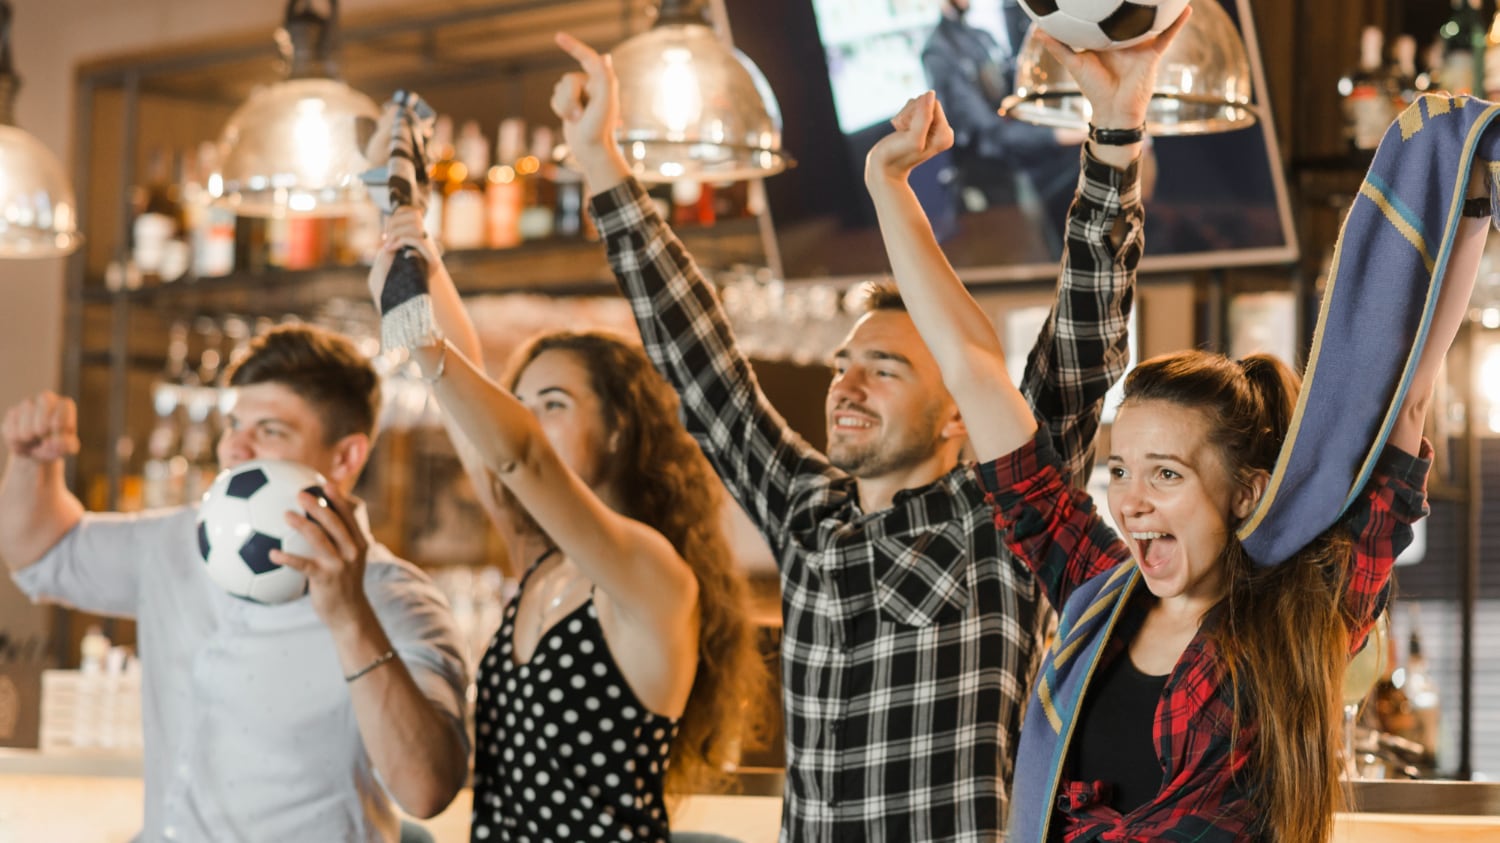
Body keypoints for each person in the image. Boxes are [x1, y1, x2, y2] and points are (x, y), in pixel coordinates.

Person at [548, 17, 1179, 838]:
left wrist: (1117, 132)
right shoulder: (808, 513)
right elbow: (698, 359)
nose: (847, 382)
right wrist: (601, 162)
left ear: (959, 408)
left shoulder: (1005, 514)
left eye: (885, 369)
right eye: (845, 363)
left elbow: (1087, 334)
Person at [863, 36, 1481, 841]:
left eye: (1166, 474)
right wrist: (887, 185)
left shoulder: (1301, 613)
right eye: (1120, 468)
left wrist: (1470, 196)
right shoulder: (1096, 594)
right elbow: (974, 366)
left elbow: (1408, 396)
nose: (1130, 500)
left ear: (1246, 490)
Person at [366, 207, 767, 842]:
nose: (526, 420)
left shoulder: (650, 571)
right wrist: (419, 251)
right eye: (520, 403)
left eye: (553, 405)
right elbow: (485, 421)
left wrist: (414, 328)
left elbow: (517, 452)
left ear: (617, 429)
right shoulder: (543, 557)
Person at [0, 326, 470, 841]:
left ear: (345, 458)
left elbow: (426, 790)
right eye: (233, 425)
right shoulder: (176, 540)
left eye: (269, 430)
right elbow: (42, 554)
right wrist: (32, 462)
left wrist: (349, 617)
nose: (234, 449)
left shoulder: (399, 600)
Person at [921, 0, 1083, 248]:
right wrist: (1057, 135)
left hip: (1020, 160)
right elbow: (988, 132)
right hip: (993, 176)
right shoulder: (938, 52)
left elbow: (1015, 95)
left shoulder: (980, 37)